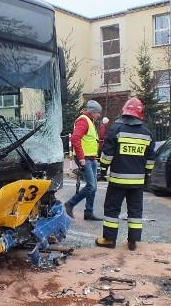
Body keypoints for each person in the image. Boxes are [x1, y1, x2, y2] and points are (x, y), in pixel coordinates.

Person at [95, 97, 154, 251]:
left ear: (125, 111)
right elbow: (150, 158)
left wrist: (102, 169)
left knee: (112, 208)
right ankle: (133, 241)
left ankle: (109, 240)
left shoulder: (115, 129)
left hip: (118, 180)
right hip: (137, 182)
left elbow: (107, 154)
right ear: (140, 114)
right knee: (135, 210)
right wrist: (147, 175)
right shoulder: (146, 133)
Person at [64, 100, 103, 221]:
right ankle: (70, 204)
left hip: (90, 158)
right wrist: (81, 158)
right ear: (92, 112)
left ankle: (89, 212)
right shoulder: (84, 120)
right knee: (91, 186)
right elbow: (75, 138)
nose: (99, 115)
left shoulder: (89, 121)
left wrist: (94, 158)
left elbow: (88, 141)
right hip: (84, 158)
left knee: (94, 186)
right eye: (98, 113)